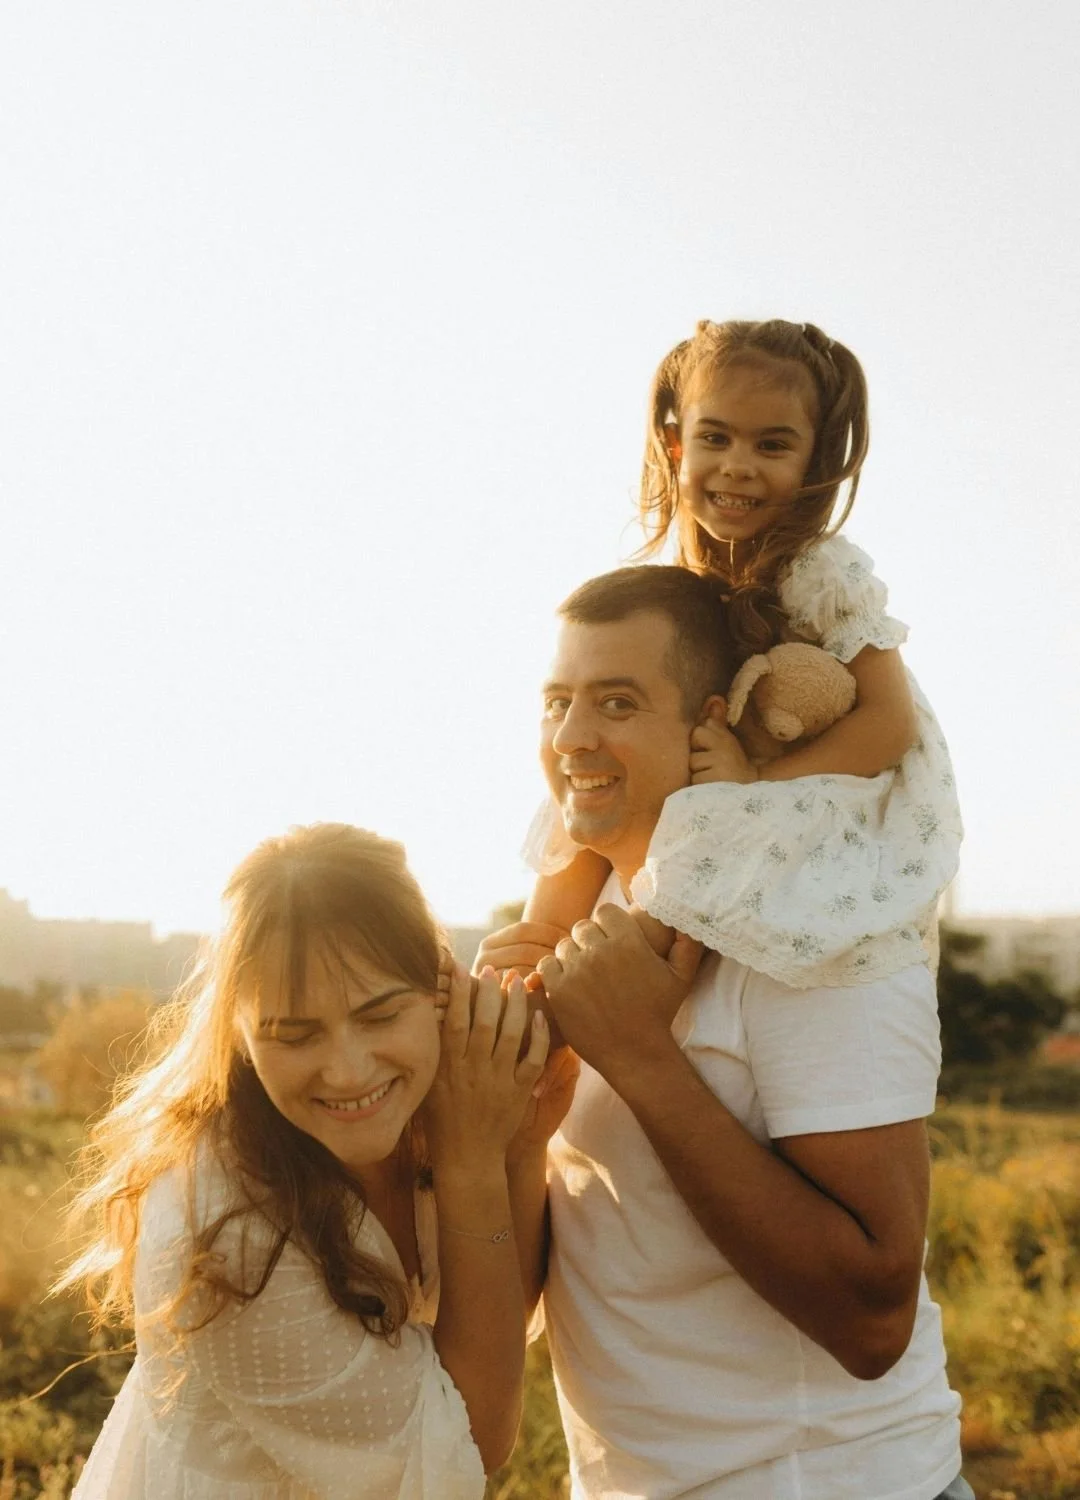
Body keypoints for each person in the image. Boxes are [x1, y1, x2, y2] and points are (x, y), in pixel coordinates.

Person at [481, 565, 972, 1499]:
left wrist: (640, 1059)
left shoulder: (815, 925)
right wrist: (506, 1127)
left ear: (710, 721)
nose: (572, 738)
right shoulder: (589, 925)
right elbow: (576, 1257)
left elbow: (875, 1318)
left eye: (617, 702)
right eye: (558, 702)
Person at [59, 822, 571, 1500]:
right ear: (239, 1035)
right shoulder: (223, 1234)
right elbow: (473, 1441)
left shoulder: (435, 1109)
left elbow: (497, 1319)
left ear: (439, 990)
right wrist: (475, 1161)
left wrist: (522, 1143)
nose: (349, 1071)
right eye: (295, 1035)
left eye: (381, 1016)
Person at [525, 317, 962, 988]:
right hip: (723, 771)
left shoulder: (820, 571)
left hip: (814, 779)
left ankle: (638, 960)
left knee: (696, 822)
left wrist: (755, 786)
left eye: (772, 445)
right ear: (676, 446)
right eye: (715, 437)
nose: (738, 465)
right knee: (591, 788)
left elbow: (888, 724)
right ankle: (536, 945)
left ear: (810, 463)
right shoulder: (684, 587)